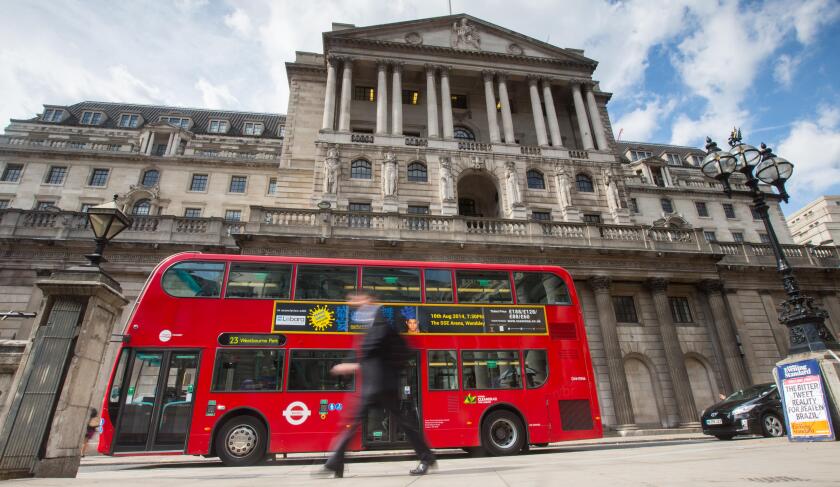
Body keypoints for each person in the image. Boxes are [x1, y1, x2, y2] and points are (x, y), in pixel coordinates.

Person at [318, 291, 436, 478]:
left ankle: (335, 462)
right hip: (374, 384)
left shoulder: (381, 325)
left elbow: (380, 351)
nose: (354, 301)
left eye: (358, 298)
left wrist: (354, 365)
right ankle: (336, 462)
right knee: (358, 420)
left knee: (391, 422)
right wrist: (352, 362)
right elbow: (360, 351)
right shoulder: (368, 325)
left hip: (382, 385)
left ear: (370, 301)